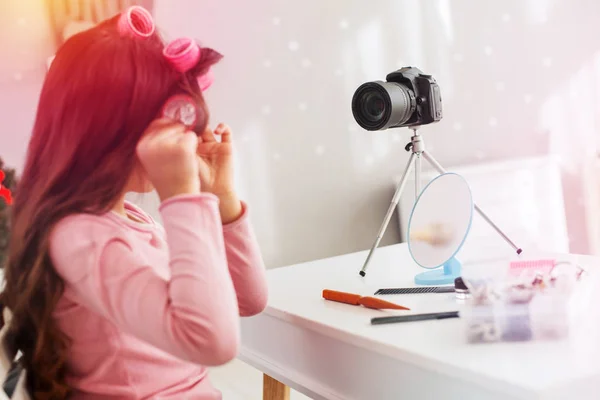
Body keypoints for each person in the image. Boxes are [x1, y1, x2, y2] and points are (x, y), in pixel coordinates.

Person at [1, 6, 268, 399]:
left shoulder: (132, 219)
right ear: (109, 131)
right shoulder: (78, 237)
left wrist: (221, 198)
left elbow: (249, 299)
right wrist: (181, 196)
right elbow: (214, 342)